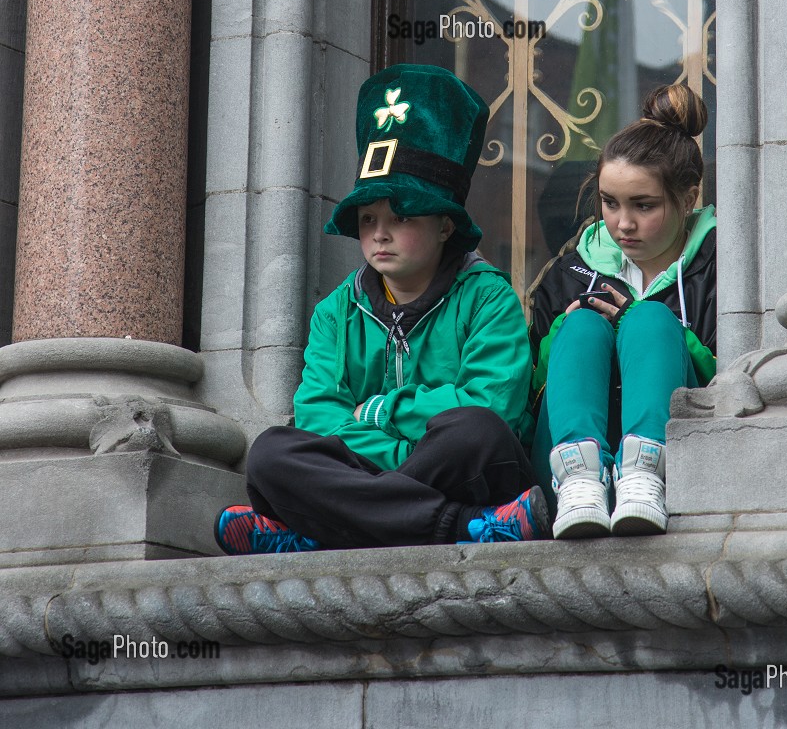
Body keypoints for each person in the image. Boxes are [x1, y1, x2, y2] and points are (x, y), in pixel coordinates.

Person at [215, 63, 549, 554]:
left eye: (401, 216)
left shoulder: (488, 296)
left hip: (456, 465)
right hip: (398, 472)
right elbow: (317, 416)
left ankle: (321, 528)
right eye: (368, 217)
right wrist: (404, 450)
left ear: (445, 226)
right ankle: (465, 525)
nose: (378, 232)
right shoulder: (336, 310)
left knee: (475, 433)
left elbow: (490, 403)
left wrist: (378, 413)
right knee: (270, 452)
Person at [527, 84, 715, 539]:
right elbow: (529, 392)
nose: (622, 224)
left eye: (643, 206)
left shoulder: (723, 265)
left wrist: (637, 320)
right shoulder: (569, 271)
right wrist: (567, 333)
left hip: (689, 469)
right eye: (610, 203)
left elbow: (735, 378)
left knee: (648, 318)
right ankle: (580, 478)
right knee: (583, 325)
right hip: (565, 478)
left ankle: (643, 473)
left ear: (687, 199)